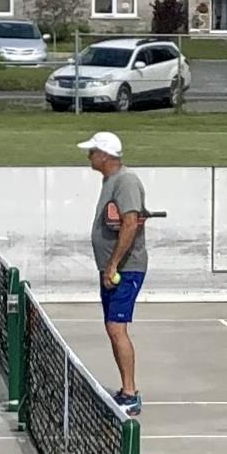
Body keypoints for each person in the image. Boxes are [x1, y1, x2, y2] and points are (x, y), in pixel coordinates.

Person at [81, 130, 147, 409]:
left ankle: (130, 395)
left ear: (105, 155)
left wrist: (112, 265)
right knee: (112, 328)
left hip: (125, 269)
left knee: (116, 328)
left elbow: (130, 223)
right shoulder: (110, 181)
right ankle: (125, 390)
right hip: (111, 269)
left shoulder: (126, 181)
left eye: (93, 151)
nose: (89, 156)